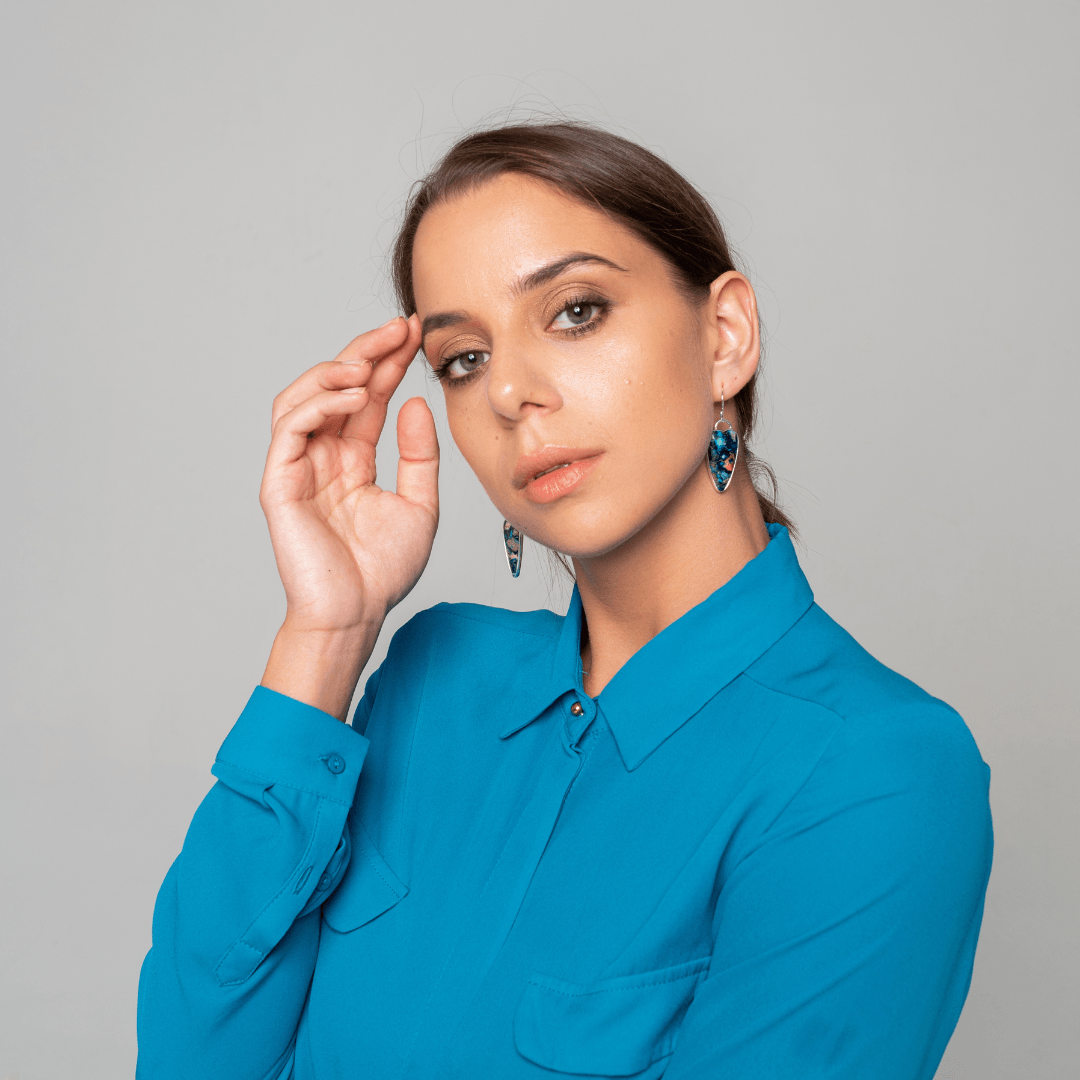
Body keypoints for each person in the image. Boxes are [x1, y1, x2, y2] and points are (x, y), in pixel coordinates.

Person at [136, 122, 992, 1080]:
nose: (509, 390)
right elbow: (189, 1056)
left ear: (725, 337)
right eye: (463, 359)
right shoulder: (432, 678)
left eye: (577, 311)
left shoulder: (874, 770)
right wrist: (328, 632)